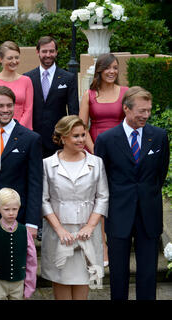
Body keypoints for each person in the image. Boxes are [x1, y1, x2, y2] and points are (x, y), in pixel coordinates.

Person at [95, 86, 169, 300]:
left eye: (149, 110)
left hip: (149, 214)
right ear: (126, 109)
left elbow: (160, 173)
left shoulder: (159, 136)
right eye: (141, 111)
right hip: (119, 214)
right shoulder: (106, 140)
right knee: (118, 274)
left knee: (148, 273)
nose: (146, 115)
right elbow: (102, 179)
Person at [41, 115, 109, 300]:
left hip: (87, 232)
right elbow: (43, 200)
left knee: (84, 280)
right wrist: (60, 230)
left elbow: (102, 197)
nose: (81, 140)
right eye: (76, 136)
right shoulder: (47, 164)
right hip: (59, 234)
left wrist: (90, 226)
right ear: (63, 138)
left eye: (83, 135)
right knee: (61, 280)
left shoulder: (96, 163)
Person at [0, 86, 43, 245]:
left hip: (17, 215)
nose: (5, 110)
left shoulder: (30, 138)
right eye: (0, 106)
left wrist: (33, 222)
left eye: (9, 105)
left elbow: (35, 183)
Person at [79, 53, 128, 267]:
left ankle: (115, 244)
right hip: (94, 152)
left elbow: (130, 125)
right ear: (100, 70)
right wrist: (95, 153)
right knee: (97, 200)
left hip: (120, 154)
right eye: (108, 68)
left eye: (115, 68)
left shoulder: (126, 93)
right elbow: (82, 127)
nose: (112, 72)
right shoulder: (89, 94)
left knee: (115, 201)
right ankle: (101, 247)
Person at [24, 36, 79, 158]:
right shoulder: (27, 78)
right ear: (37, 52)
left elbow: (73, 111)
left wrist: (71, 135)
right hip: (33, 138)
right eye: (44, 51)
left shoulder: (68, 78)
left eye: (51, 51)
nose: (48, 55)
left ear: (56, 52)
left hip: (59, 139)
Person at [0, 188, 37, 300]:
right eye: (6, 209)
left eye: (14, 209)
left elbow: (32, 260)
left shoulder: (24, 231)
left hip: (18, 282)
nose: (11, 213)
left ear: (19, 208)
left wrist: (29, 287)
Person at [0, 41, 34, 129]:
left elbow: (28, 110)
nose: (14, 61)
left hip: (21, 130)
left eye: (17, 57)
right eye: (10, 58)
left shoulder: (27, 80)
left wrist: (16, 130)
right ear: (0, 59)